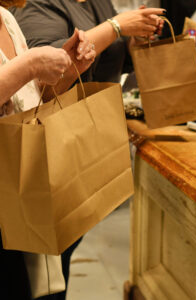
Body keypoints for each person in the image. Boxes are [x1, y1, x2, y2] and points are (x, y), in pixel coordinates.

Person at [11, 1, 165, 299]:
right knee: (43, 263)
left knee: (64, 249)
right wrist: (116, 26)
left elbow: (108, 59)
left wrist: (132, 39)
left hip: (85, 140)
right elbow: (47, 73)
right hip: (50, 148)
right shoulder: (39, 4)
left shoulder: (94, 2)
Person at [0, 1, 96, 299]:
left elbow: (26, 98)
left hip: (22, 183)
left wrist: (67, 70)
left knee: (37, 285)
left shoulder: (5, 17)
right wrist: (29, 65)